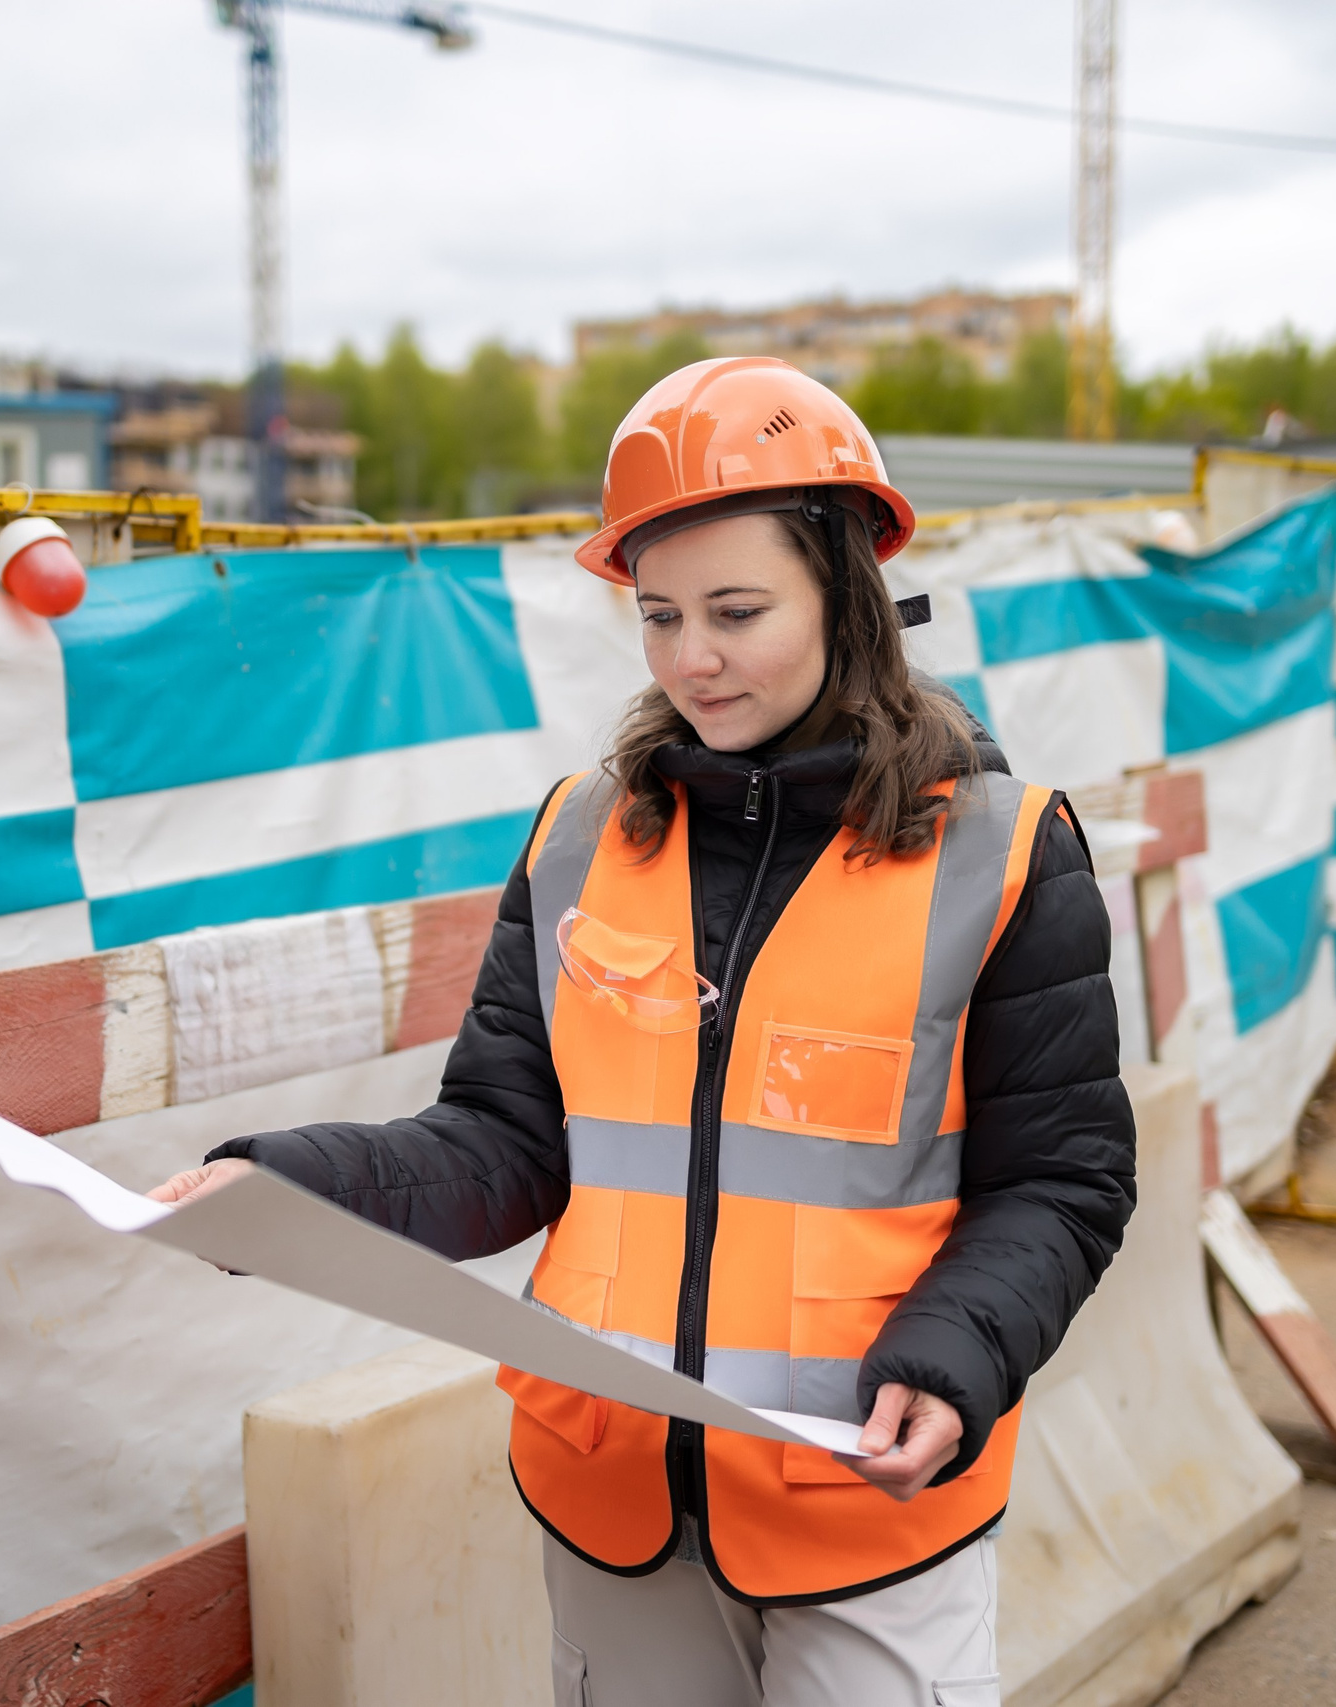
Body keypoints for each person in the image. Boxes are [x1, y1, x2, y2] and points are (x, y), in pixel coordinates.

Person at [153, 357, 1135, 1707]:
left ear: (848, 600)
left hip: (863, 1494)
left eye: (738, 610)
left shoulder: (1006, 855)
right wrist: (292, 1189)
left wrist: (962, 1349)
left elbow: (1064, 1181)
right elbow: (502, 1139)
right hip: (610, 1492)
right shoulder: (577, 842)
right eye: (659, 615)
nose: (692, 659)